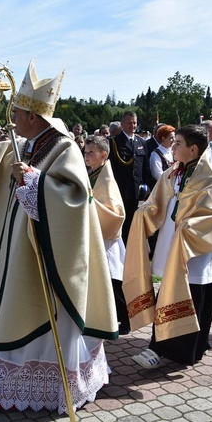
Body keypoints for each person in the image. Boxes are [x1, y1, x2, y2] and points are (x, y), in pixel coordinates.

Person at [0, 60, 118, 413]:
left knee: (33, 317)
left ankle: (39, 391)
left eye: (17, 112)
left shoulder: (64, 148)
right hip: (19, 253)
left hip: (47, 260)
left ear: (33, 115)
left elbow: (75, 199)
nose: (12, 118)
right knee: (8, 311)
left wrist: (35, 181)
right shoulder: (29, 143)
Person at [124, 125, 212, 368]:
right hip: (174, 243)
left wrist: (191, 228)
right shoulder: (173, 173)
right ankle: (164, 346)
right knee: (171, 290)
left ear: (193, 149)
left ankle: (175, 349)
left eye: (178, 143)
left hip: (196, 249)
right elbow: (157, 202)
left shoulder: (208, 177)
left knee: (195, 295)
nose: (173, 147)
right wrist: (144, 213)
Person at [85, 136, 129, 335]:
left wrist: (89, 201)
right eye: (85, 152)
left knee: (113, 280)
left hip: (107, 239)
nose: (86, 156)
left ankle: (125, 319)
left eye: (91, 152)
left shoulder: (107, 179)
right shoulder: (94, 173)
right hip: (96, 236)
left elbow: (116, 213)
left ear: (103, 155)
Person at [109, 110, 150, 243]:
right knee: (123, 221)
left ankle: (133, 247)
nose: (133, 126)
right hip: (122, 189)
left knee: (135, 221)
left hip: (137, 190)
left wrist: (147, 187)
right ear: (122, 124)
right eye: (129, 123)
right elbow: (112, 168)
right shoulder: (115, 142)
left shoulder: (141, 142)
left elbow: (145, 167)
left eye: (135, 123)